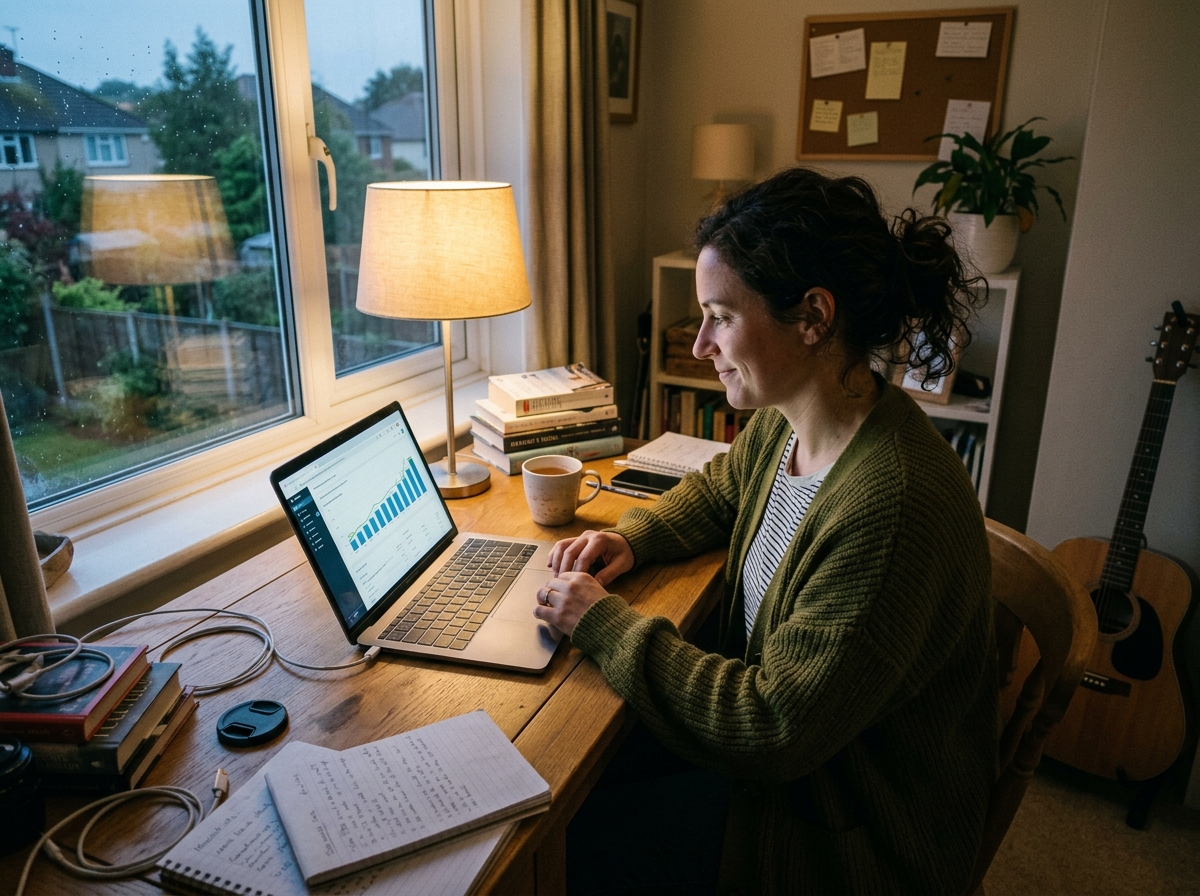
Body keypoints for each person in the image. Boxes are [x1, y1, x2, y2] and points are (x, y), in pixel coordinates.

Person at [533, 167, 998, 895]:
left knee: (561, 843)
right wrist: (633, 538)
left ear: (813, 316)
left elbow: (773, 724)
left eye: (720, 317)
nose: (700, 346)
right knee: (563, 774)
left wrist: (606, 624)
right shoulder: (797, 419)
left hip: (835, 833)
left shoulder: (891, 507)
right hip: (793, 770)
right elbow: (723, 489)